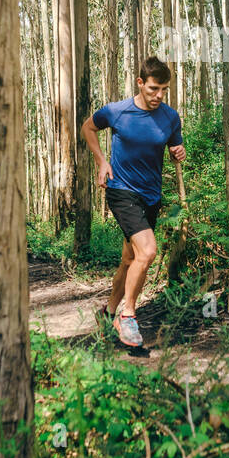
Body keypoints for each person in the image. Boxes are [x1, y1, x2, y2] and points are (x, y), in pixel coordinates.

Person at [81, 55, 185, 350]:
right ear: (140, 83)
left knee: (130, 260)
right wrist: (101, 161)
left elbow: (175, 145)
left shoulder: (169, 117)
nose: (159, 95)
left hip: (150, 195)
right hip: (121, 190)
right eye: (153, 88)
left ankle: (109, 311)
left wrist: (179, 151)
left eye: (164, 89)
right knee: (148, 251)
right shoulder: (117, 112)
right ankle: (128, 314)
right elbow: (87, 128)